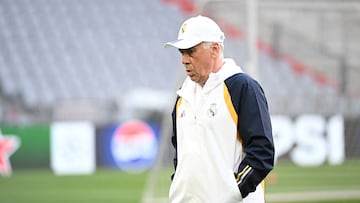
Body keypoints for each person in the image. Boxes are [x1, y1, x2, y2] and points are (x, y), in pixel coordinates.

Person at [164, 15, 275, 203]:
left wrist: (231, 193)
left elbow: (262, 152)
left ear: (215, 49)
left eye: (190, 51)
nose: (184, 60)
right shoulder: (183, 94)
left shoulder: (243, 87)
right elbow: (181, 152)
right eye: (181, 52)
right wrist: (180, 187)